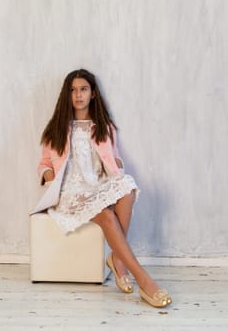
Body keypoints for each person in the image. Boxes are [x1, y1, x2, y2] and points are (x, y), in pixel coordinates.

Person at [36, 68, 172, 308]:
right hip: (71, 192)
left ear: (93, 93)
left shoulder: (104, 127)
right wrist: (49, 179)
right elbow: (44, 163)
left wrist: (116, 168)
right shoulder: (56, 128)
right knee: (107, 216)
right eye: (73, 90)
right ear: (66, 95)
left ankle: (117, 259)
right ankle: (144, 281)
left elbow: (114, 161)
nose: (78, 95)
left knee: (128, 188)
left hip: (97, 185)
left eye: (83, 89)